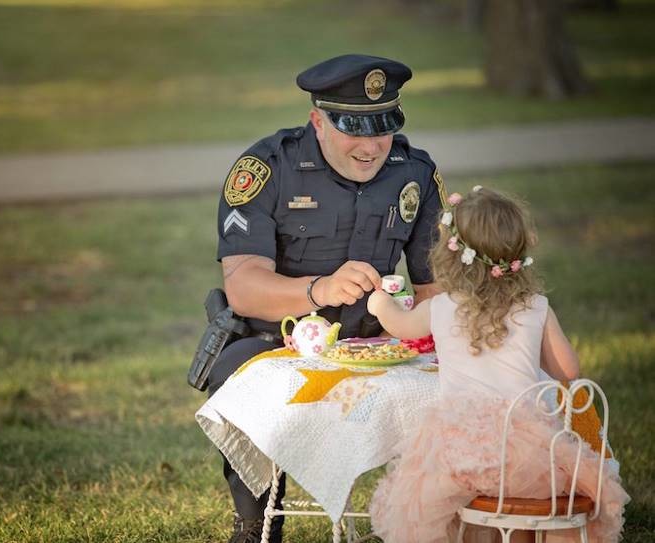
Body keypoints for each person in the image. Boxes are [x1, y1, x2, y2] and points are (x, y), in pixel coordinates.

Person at [204, 54, 447, 543]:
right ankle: (255, 525)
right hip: (277, 338)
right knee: (232, 374)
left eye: (384, 127)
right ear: (318, 120)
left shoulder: (415, 173)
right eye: (354, 128)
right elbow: (244, 285)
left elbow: (435, 289)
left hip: (377, 338)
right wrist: (319, 289)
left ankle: (431, 519)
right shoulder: (267, 169)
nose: (372, 145)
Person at [366, 187, 629, 542]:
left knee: (438, 503)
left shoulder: (443, 306)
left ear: (450, 253)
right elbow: (568, 372)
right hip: (528, 450)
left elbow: (400, 326)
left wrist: (381, 304)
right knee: (527, 491)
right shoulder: (535, 307)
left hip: (460, 452)